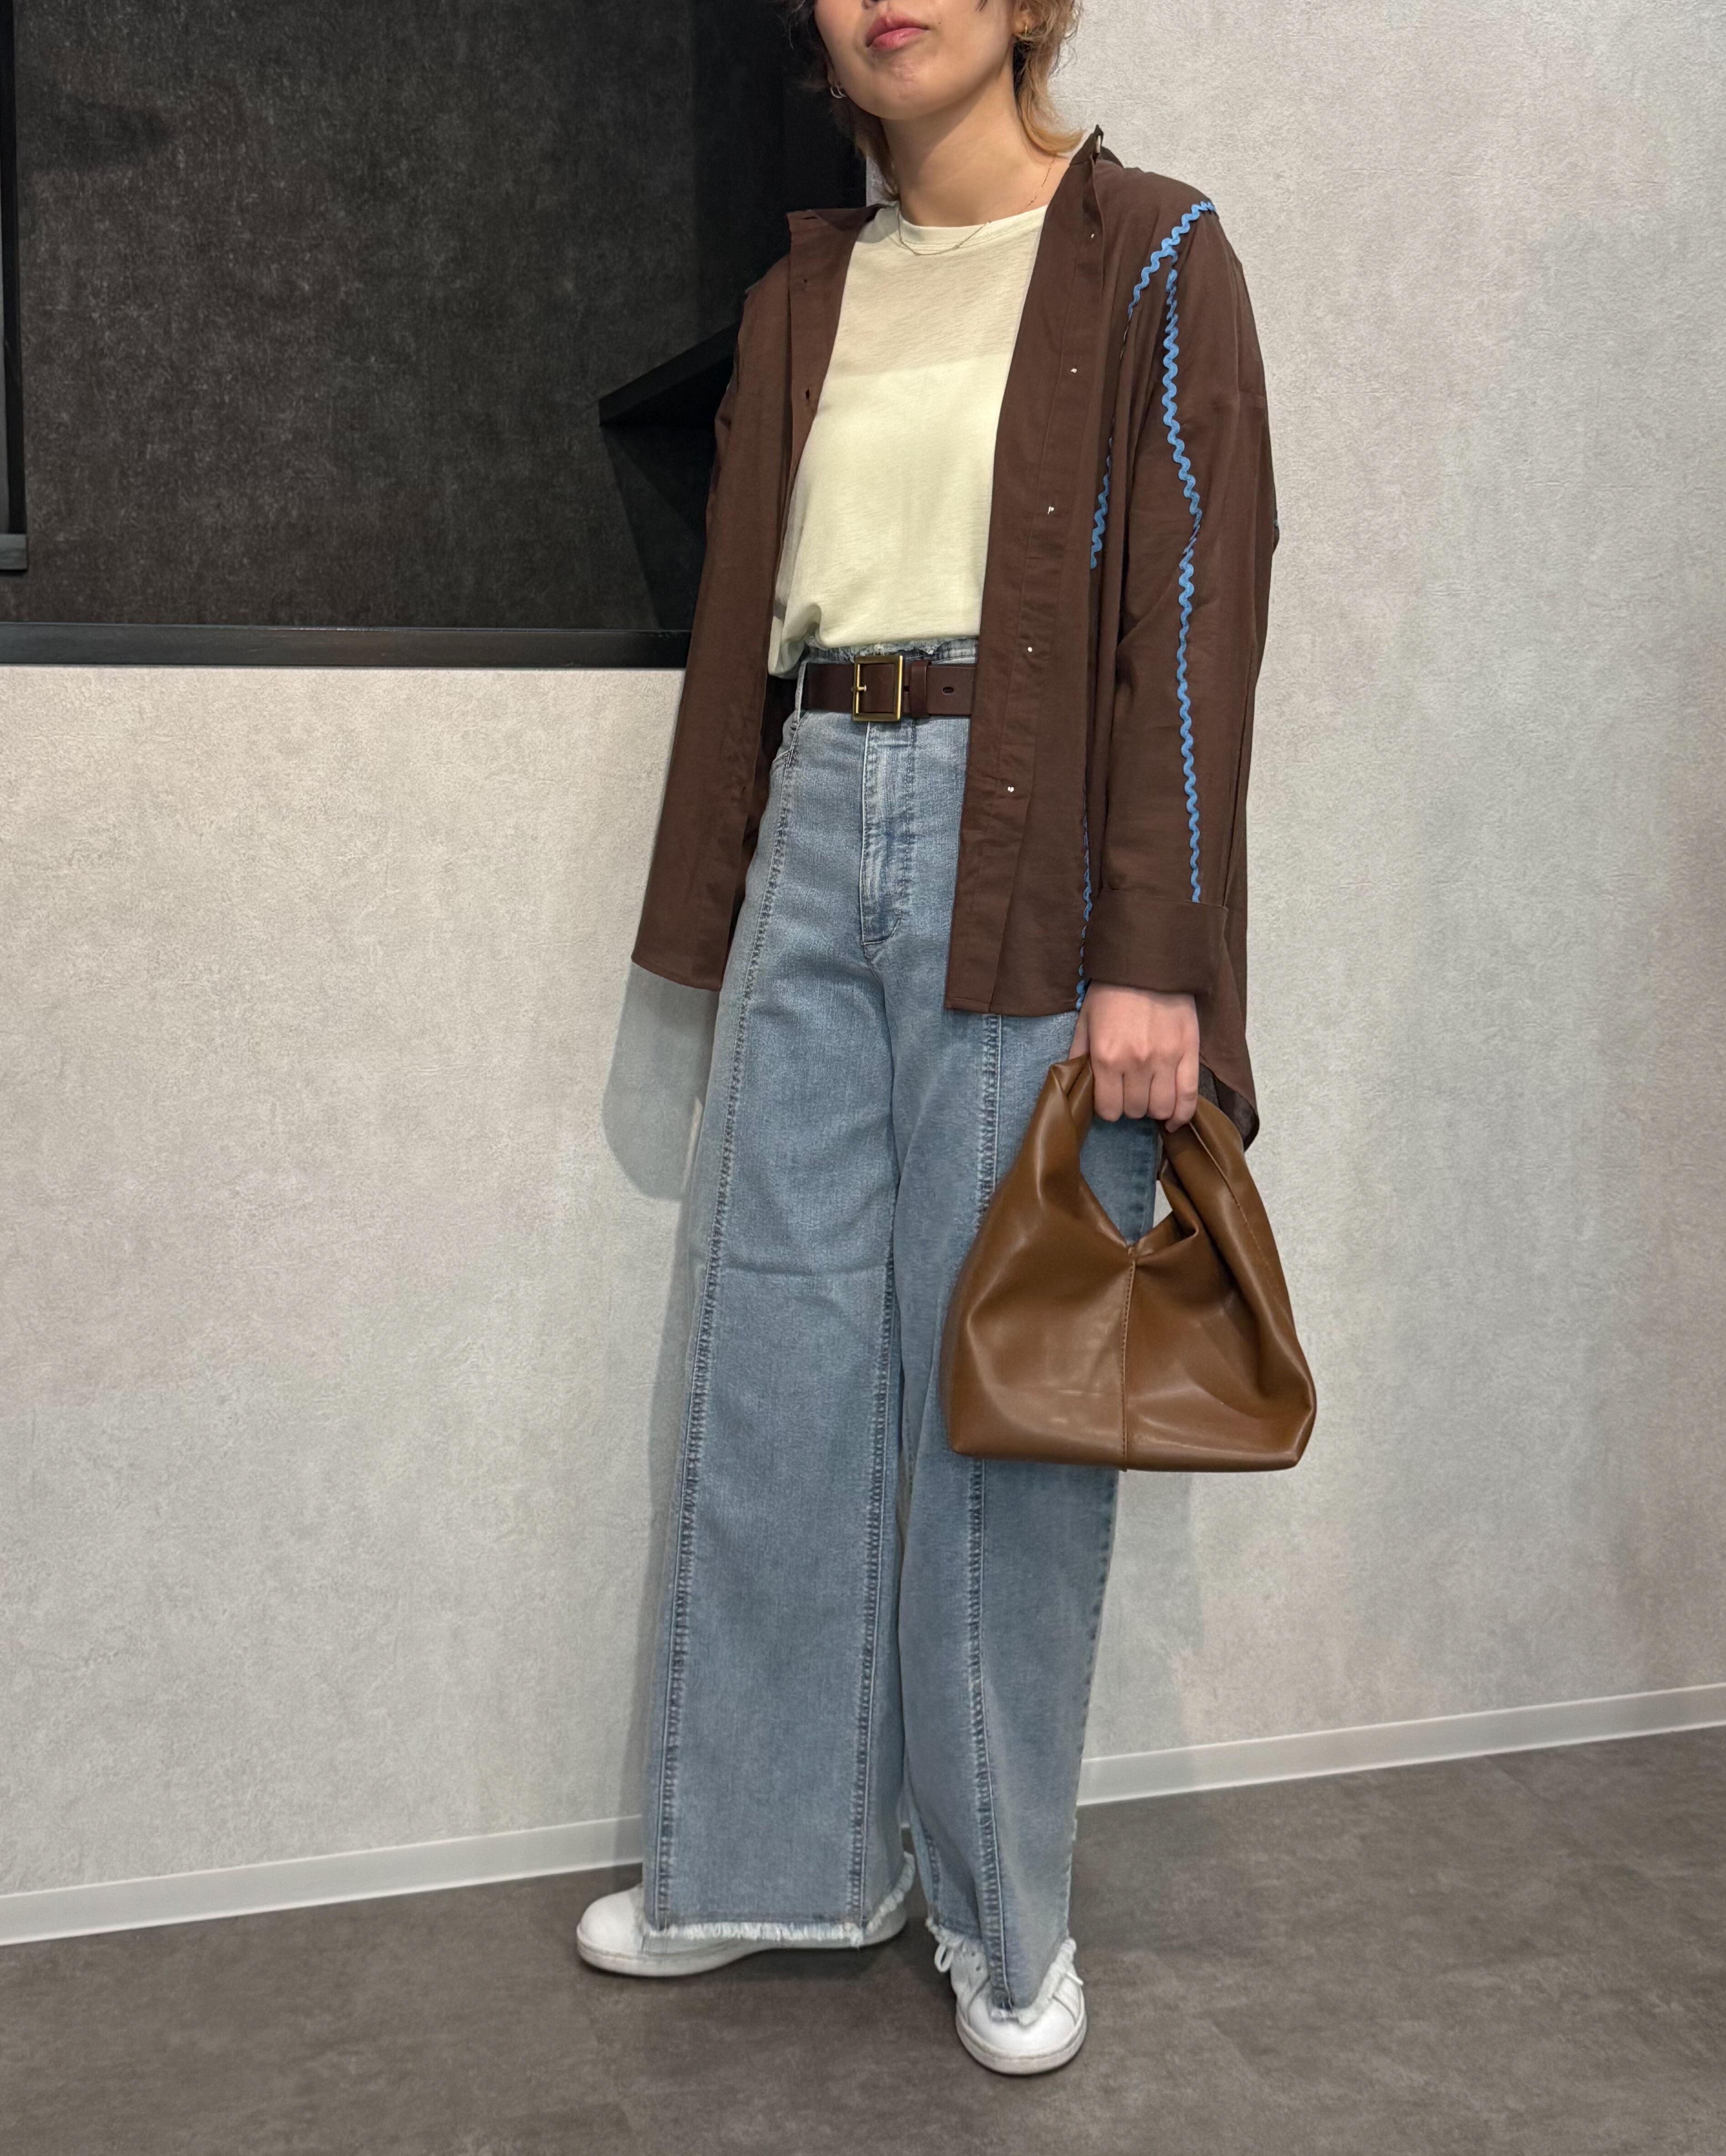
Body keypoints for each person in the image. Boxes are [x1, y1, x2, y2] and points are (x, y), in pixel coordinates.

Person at [578, 0, 1277, 2078]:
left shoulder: (1153, 250)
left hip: (1026, 839)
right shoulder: (805, 294)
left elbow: (1192, 613)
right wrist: (717, 891)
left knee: (1004, 1397)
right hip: (819, 806)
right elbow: (753, 615)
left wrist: (1153, 951)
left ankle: (1001, 1916)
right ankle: (774, 1863)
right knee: (779, 1353)